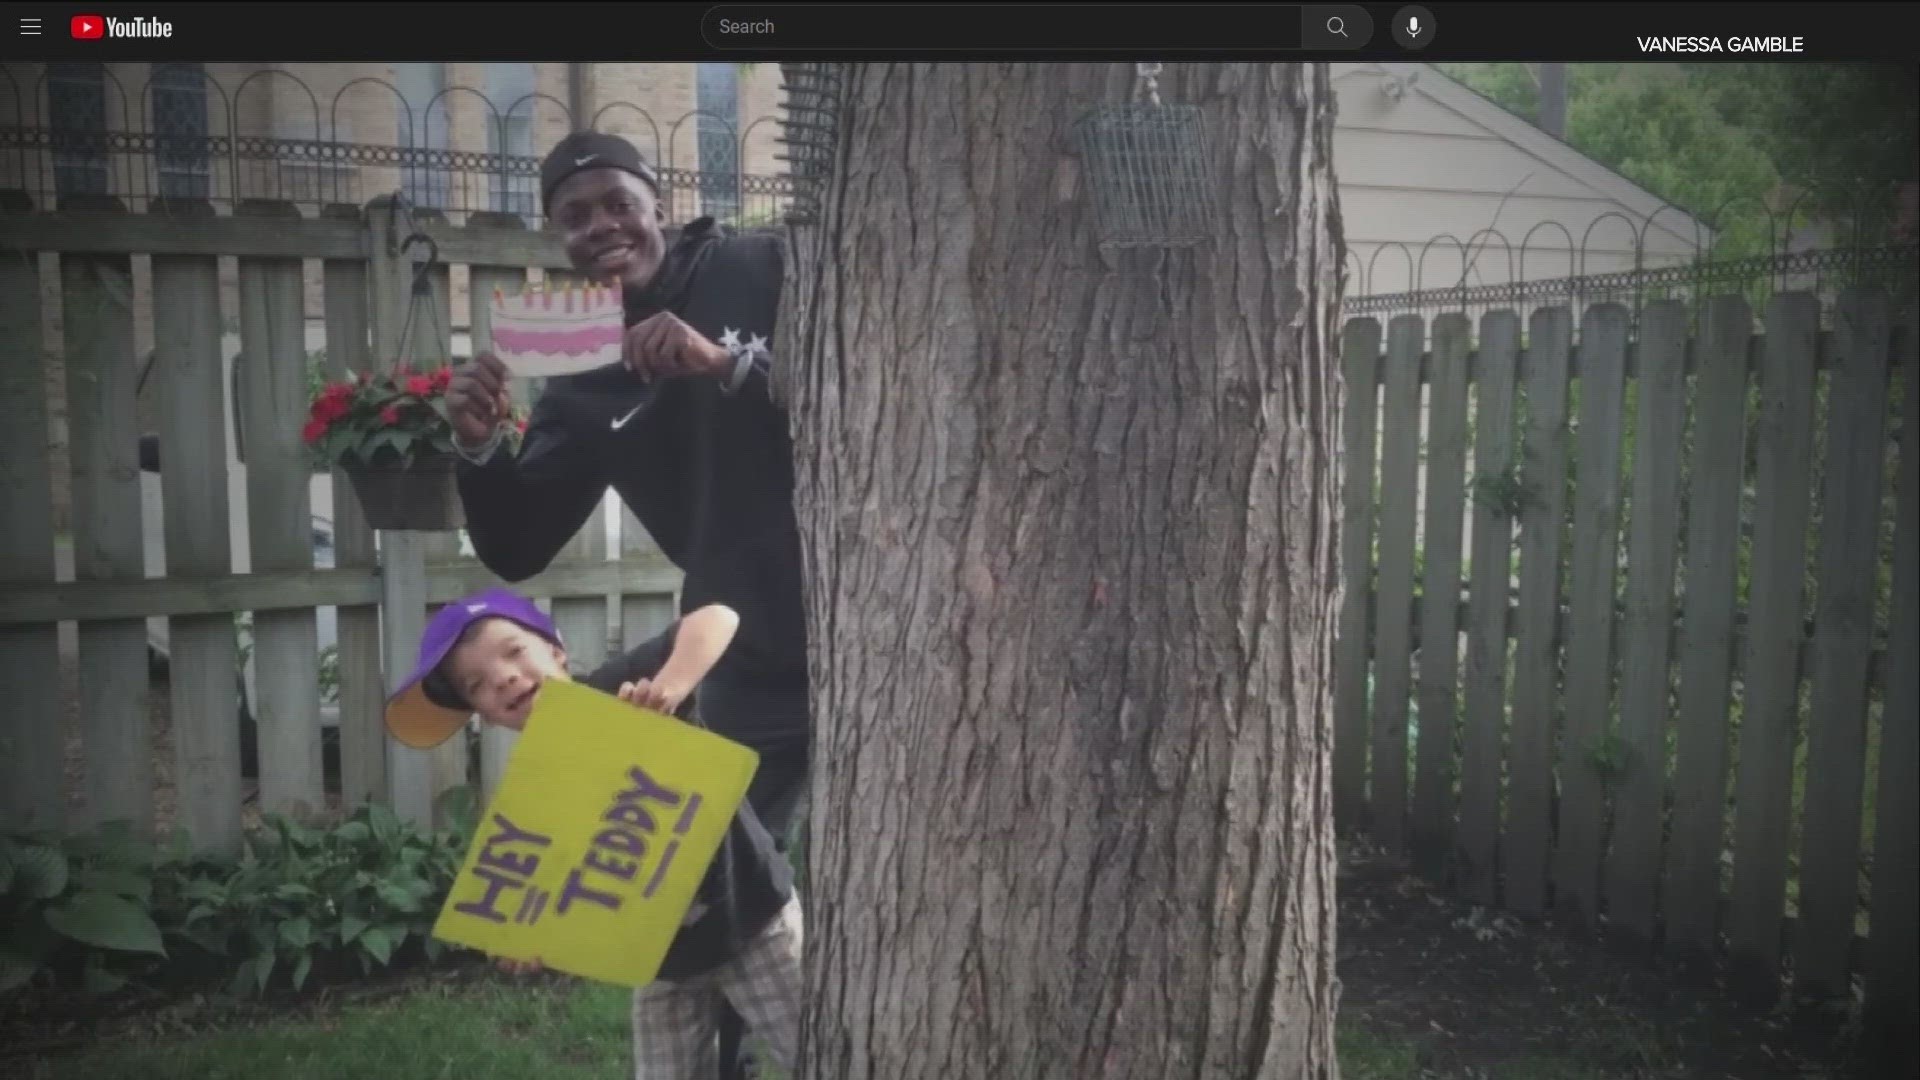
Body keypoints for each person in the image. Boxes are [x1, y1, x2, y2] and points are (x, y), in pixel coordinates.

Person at [384, 588, 802, 1079]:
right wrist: (525, 938)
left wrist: (668, 688)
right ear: (487, 718)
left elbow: (720, 614)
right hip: (658, 961)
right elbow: (546, 880)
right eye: (476, 685)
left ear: (556, 651)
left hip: (751, 919)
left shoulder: (616, 691)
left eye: (515, 652)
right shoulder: (534, 792)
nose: (503, 679)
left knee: (819, 1052)